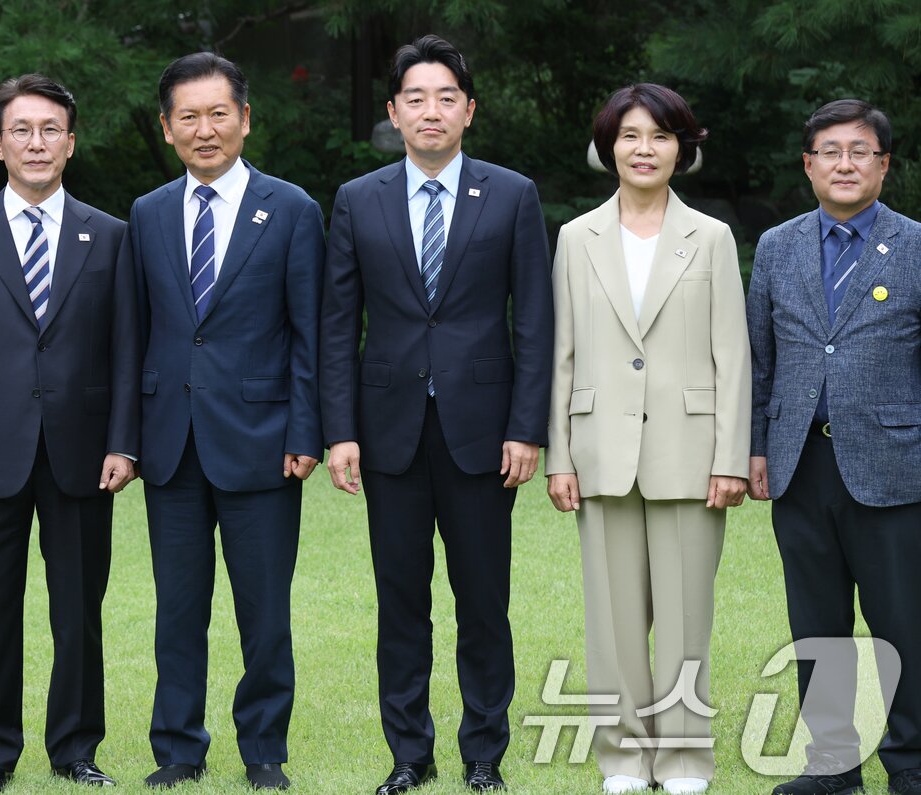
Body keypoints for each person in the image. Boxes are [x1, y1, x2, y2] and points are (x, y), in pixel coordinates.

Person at [320, 34, 552, 794]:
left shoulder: (512, 194)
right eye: (415, 98)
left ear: (469, 109)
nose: (431, 111)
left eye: (446, 97)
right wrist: (340, 429)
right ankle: (409, 754)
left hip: (484, 432)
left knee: (484, 601)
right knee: (402, 602)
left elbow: (535, 321)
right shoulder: (358, 199)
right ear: (393, 111)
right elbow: (337, 322)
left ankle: (483, 751)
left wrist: (526, 426)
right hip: (388, 431)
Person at [0, 73, 139, 794]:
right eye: (22, 129)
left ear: (71, 144)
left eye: (51, 129)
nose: (36, 142)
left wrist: (123, 441)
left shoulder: (111, 237)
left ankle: (76, 747)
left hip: (84, 451)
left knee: (79, 610)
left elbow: (127, 348)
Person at [125, 51, 324, 791]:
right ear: (168, 128)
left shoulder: (293, 209)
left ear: (245, 117)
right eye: (188, 117)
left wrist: (308, 431)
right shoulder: (145, 215)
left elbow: (310, 333)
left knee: (264, 612)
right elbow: (133, 336)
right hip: (170, 445)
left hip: (264, 442)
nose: (204, 130)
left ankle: (264, 748)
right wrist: (127, 439)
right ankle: (178, 745)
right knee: (178, 609)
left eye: (218, 114)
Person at [544, 83, 749, 795]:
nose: (644, 148)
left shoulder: (713, 237)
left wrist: (730, 458)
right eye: (630, 135)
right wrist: (559, 457)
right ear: (608, 146)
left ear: (681, 148)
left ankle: (687, 760)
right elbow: (563, 355)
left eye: (660, 136)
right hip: (600, 453)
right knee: (613, 625)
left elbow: (734, 355)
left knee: (687, 622)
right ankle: (625, 759)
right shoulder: (576, 238)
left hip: (691, 458)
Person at [748, 99, 921, 795]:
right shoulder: (776, 246)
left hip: (893, 466)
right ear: (808, 164)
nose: (844, 163)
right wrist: (757, 447)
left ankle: (909, 761)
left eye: (860, 151)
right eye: (830, 151)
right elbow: (761, 362)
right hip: (798, 465)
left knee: (903, 621)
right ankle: (832, 764)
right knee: (816, 623)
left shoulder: (914, 244)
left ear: (883, 164)